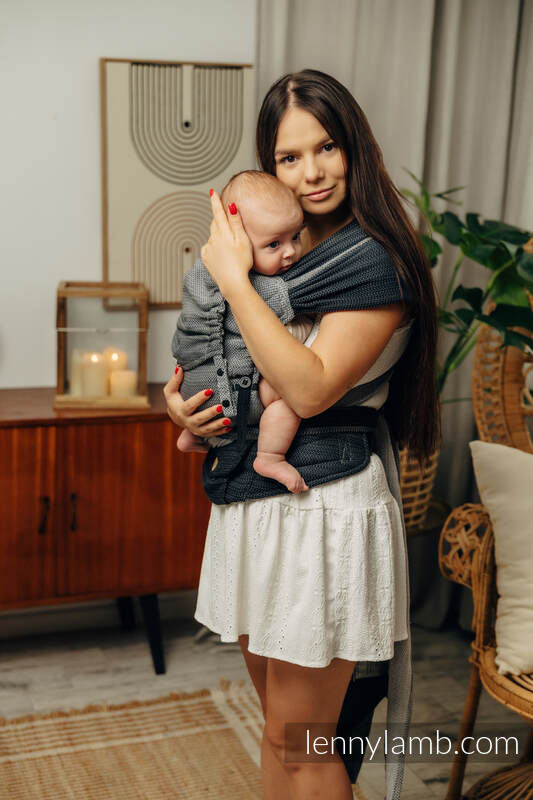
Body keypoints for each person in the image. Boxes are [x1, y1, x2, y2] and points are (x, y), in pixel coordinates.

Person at [164, 69, 440, 800]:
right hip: (259, 502)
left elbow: (311, 387)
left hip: (324, 505)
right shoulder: (280, 252)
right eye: (289, 157)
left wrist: (231, 279)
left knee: (306, 744)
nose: (311, 172)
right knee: (277, 734)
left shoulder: (371, 260)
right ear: (270, 164)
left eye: (326, 148)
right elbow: (220, 350)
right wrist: (183, 408)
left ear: (354, 147)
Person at [175, 170, 313, 494]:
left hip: (190, 390)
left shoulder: (201, 271)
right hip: (230, 394)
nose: (290, 252)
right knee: (287, 396)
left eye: (295, 237)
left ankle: (192, 435)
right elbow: (295, 327)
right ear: (238, 244)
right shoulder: (262, 286)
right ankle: (270, 456)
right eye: (274, 244)